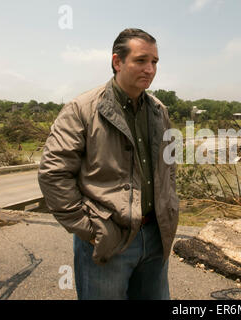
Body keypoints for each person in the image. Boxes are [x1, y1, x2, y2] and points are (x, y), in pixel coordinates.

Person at [38, 28, 179, 300]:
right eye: (141, 60)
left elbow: (168, 168)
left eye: (155, 62)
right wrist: (90, 230)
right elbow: (53, 175)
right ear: (117, 62)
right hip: (108, 239)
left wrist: (169, 210)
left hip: (155, 236)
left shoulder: (159, 111)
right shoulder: (82, 109)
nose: (150, 69)